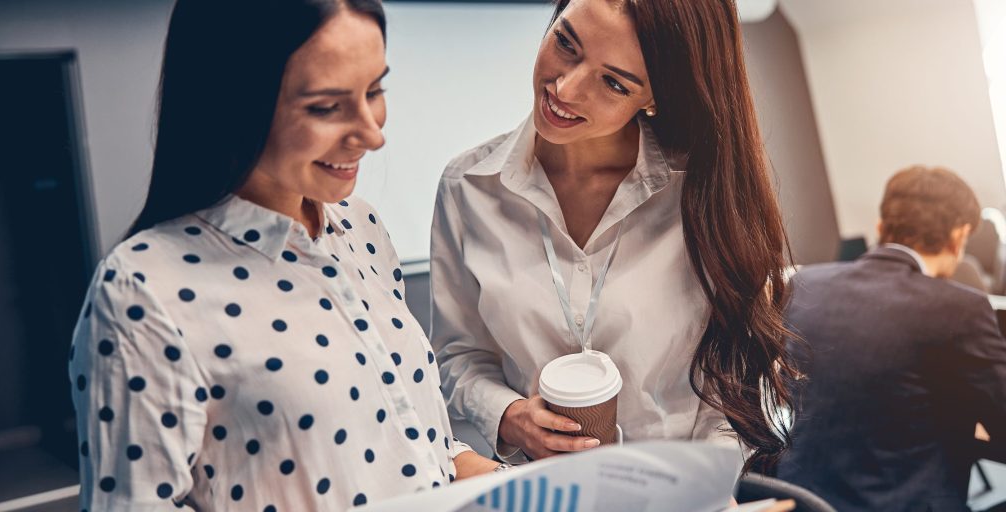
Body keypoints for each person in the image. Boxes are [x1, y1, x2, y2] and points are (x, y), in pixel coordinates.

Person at [68, 0, 497, 509]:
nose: (373, 134)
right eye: (325, 107)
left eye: (375, 90)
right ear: (231, 105)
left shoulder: (359, 226)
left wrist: (515, 481)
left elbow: (419, 452)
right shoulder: (142, 291)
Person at [429, 0, 797, 471]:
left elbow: (743, 381)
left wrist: (697, 484)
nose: (565, 88)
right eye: (566, 43)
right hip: (547, 491)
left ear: (654, 96)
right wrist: (508, 415)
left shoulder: (701, 193)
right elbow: (459, 355)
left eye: (614, 82)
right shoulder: (468, 188)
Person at [777, 166, 1006, 511]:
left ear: (882, 228)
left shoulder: (803, 284)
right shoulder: (960, 307)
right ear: (959, 237)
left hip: (803, 499)